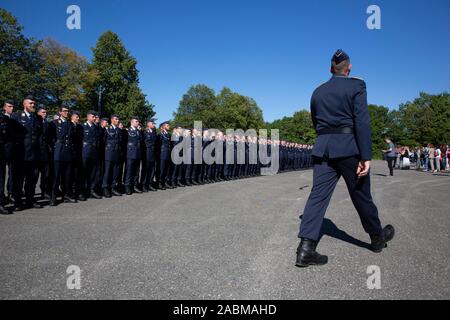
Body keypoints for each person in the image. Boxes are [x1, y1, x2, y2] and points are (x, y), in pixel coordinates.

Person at [296, 50, 394, 268]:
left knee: (317, 197)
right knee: (361, 195)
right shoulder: (356, 86)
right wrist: (366, 155)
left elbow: (316, 122)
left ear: (331, 68)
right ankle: (377, 239)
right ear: (349, 69)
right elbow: (362, 122)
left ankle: (305, 249)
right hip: (349, 148)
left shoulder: (317, 91)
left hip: (323, 148)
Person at [10, 95, 43, 210]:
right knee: (18, 179)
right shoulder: (16, 116)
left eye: (34, 103)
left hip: (34, 154)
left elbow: (39, 135)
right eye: (30, 103)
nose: (33, 105)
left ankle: (30, 200)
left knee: (32, 179)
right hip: (21, 154)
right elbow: (11, 135)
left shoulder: (38, 118)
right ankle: (18, 202)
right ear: (24, 104)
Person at [48, 106, 77, 206]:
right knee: (56, 176)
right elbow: (49, 138)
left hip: (68, 152)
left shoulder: (70, 124)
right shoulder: (55, 123)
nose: (66, 113)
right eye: (64, 111)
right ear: (60, 112)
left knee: (67, 176)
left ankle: (66, 195)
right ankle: (53, 197)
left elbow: (73, 138)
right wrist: (54, 148)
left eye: (67, 111)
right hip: (58, 152)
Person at [82, 111, 103, 199]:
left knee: (93, 173)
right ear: (88, 117)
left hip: (94, 152)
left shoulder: (96, 127)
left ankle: (91, 190)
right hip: (85, 152)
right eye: (93, 117)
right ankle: (83, 191)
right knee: (84, 173)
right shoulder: (83, 126)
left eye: (95, 117)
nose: (95, 118)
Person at [102, 114, 123, 198]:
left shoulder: (119, 130)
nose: (118, 121)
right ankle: (105, 188)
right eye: (116, 119)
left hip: (117, 153)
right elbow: (103, 141)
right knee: (107, 171)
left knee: (115, 172)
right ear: (112, 120)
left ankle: (113, 187)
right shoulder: (107, 129)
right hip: (109, 153)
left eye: (118, 119)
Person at [124, 116, 143, 195]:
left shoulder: (138, 131)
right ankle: (127, 186)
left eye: (138, 121)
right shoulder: (127, 131)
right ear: (131, 122)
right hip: (130, 153)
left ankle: (135, 186)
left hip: (137, 153)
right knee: (129, 171)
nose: (138, 123)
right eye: (136, 121)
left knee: (136, 171)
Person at [141, 118, 157, 191]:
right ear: (148, 124)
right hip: (147, 153)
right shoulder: (144, 132)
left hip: (153, 153)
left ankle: (150, 183)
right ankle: (143, 184)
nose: (154, 124)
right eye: (152, 123)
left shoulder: (153, 132)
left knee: (152, 169)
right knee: (146, 169)